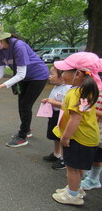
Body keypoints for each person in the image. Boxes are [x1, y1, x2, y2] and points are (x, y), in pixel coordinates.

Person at [0, 24, 49, 147]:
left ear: (0, 40)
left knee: (26, 105)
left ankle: (23, 136)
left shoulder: (18, 46)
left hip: (38, 75)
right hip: (24, 77)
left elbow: (21, 74)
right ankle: (26, 130)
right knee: (21, 104)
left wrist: (1, 86)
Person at [51, 52, 102, 206]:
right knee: (79, 166)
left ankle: (72, 195)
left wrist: (65, 137)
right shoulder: (87, 91)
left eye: (65, 71)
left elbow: (76, 118)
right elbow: (83, 114)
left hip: (78, 138)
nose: (62, 73)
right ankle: (76, 189)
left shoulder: (75, 93)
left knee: (72, 168)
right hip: (89, 137)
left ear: (78, 74)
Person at [41, 66, 71, 169]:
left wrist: (53, 102)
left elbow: (66, 105)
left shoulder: (68, 88)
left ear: (62, 76)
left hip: (62, 115)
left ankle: (64, 158)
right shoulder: (57, 86)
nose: (49, 76)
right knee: (55, 135)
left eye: (52, 74)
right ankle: (56, 154)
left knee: (61, 136)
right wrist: (48, 100)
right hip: (54, 114)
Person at [80, 89, 102, 190]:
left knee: (98, 157)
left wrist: (91, 109)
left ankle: (94, 179)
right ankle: (91, 174)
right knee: (94, 155)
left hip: (99, 132)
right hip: (93, 128)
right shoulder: (97, 89)